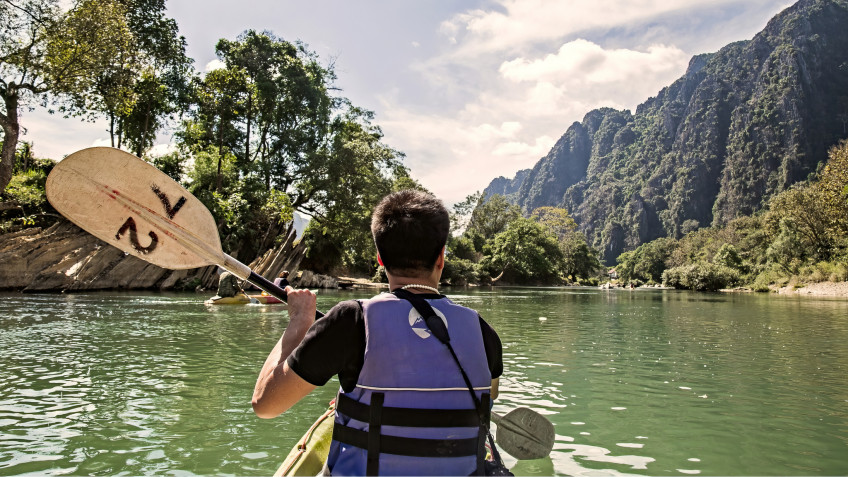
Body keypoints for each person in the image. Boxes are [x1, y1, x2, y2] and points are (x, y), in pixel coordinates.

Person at [252, 190, 503, 476]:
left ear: (379, 259)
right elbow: (487, 395)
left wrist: (299, 320)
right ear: (441, 258)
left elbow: (265, 405)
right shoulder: (483, 332)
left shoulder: (351, 320)